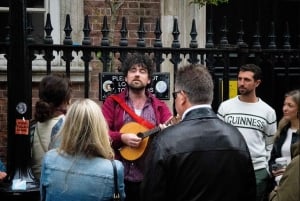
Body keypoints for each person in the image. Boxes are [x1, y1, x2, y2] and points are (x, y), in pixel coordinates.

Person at [140, 64, 256, 201]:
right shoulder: (236, 136)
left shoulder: (165, 140)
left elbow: (152, 194)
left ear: (182, 97)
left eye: (175, 95)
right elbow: (249, 191)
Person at [102, 53, 173, 201]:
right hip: (118, 177)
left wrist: (166, 134)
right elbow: (101, 133)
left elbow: (172, 137)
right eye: (133, 70)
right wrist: (121, 137)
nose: (137, 75)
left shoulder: (160, 107)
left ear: (148, 80)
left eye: (142, 71)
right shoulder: (112, 103)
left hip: (149, 178)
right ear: (126, 77)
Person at [40, 99, 125, 201]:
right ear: (100, 128)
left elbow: (43, 196)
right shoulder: (114, 169)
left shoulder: (49, 159)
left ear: (68, 126)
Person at [217, 64, 277, 201]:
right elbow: (218, 138)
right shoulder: (225, 107)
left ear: (257, 83)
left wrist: (265, 168)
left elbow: (270, 144)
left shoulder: (268, 112)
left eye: (247, 80)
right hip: (230, 168)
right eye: (239, 79)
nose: (241, 83)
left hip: (257, 170)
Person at [31, 74, 72, 180]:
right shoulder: (68, 124)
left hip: (36, 184)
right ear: (65, 100)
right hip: (60, 185)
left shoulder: (33, 125)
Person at [268, 89, 300, 188]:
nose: (284, 109)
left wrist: (289, 172)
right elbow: (273, 158)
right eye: (284, 104)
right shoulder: (282, 131)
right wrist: (274, 169)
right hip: (280, 185)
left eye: (290, 105)